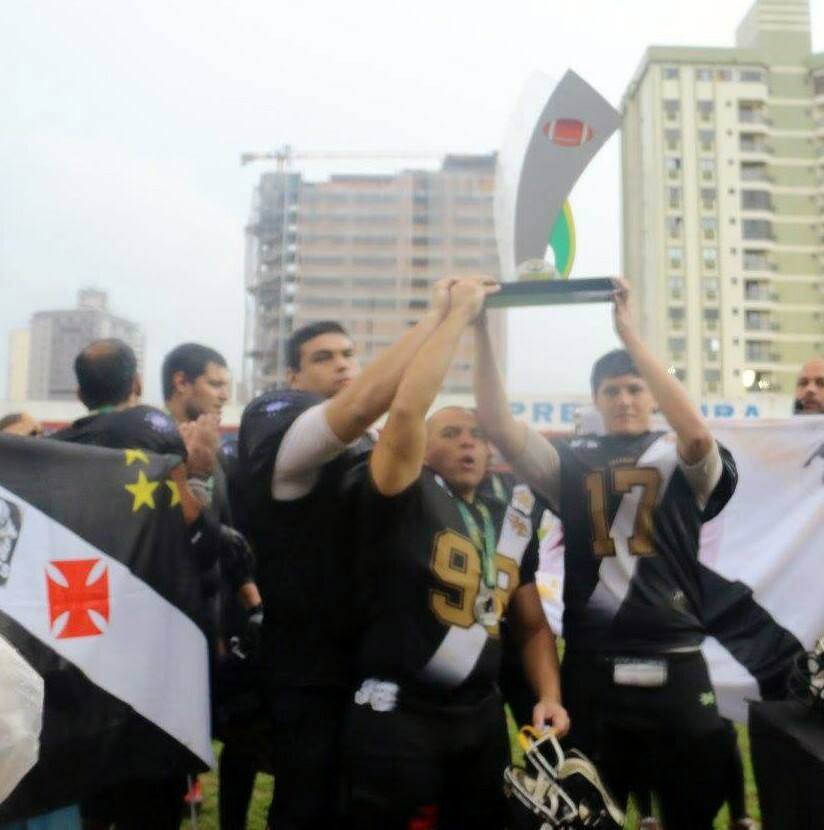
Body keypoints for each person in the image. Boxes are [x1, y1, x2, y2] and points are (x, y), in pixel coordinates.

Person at [474, 278, 738, 830]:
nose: (624, 400)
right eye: (612, 391)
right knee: (591, 810)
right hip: (595, 658)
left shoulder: (679, 454)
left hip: (676, 652)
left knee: (691, 808)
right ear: (595, 399)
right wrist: (480, 331)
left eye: (636, 389)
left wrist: (630, 335)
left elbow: (695, 437)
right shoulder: (572, 461)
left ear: (655, 395)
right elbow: (498, 425)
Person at [343, 276, 568, 830]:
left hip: (480, 713)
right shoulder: (405, 489)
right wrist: (453, 320)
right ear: (425, 445)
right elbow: (402, 417)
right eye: (449, 432)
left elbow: (533, 626)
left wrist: (549, 695)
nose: (467, 440)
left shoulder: (512, 510)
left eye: (475, 433)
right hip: (400, 713)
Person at [237, 279, 457, 830]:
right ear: (293, 376)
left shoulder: (366, 438)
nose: (342, 364)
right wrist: (438, 318)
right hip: (308, 667)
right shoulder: (276, 412)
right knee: (307, 805)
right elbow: (359, 405)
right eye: (323, 358)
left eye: (348, 354)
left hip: (376, 657)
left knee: (371, 804)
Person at [52, 338, 220, 830]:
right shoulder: (155, 432)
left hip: (81, 641)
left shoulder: (55, 451)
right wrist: (203, 475)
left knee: (93, 797)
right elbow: (192, 531)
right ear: (139, 383)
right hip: (152, 648)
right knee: (149, 802)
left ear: (80, 391)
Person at [162, 342, 266, 829]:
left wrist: (249, 599)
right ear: (182, 382)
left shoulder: (219, 455)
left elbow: (228, 541)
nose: (226, 394)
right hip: (168, 623)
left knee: (240, 733)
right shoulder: (153, 446)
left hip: (218, 621)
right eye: (216, 383)